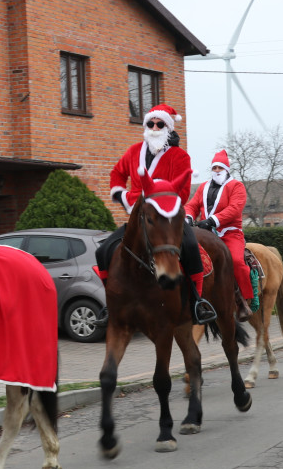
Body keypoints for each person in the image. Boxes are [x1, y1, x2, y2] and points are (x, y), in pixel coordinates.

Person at [94, 103, 216, 325]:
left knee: (190, 247)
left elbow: (183, 189)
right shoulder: (133, 152)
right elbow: (117, 173)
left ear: (168, 128)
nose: (155, 127)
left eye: (160, 124)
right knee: (103, 251)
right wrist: (122, 195)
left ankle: (198, 302)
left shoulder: (179, 157)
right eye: (151, 123)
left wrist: (161, 198)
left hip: (168, 219)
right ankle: (110, 304)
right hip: (139, 218)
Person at [184, 150, 255, 321]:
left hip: (229, 233)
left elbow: (234, 208)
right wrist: (188, 216)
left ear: (226, 169)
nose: (216, 170)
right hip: (206, 235)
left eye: (220, 167)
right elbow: (193, 205)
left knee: (237, 262)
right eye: (214, 167)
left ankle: (242, 302)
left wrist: (212, 220)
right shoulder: (203, 187)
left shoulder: (236, 186)